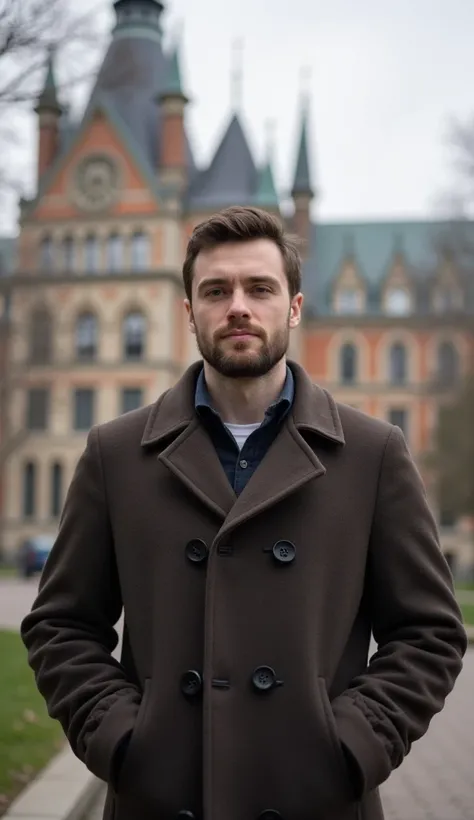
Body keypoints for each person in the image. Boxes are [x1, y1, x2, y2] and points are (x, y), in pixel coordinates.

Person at [21, 206, 467, 820]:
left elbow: (430, 632)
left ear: (295, 308)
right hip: (160, 797)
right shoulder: (115, 454)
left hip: (318, 799)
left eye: (260, 288)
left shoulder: (373, 454)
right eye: (215, 290)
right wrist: (121, 738)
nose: (238, 306)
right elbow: (61, 625)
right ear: (188, 313)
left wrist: (354, 744)